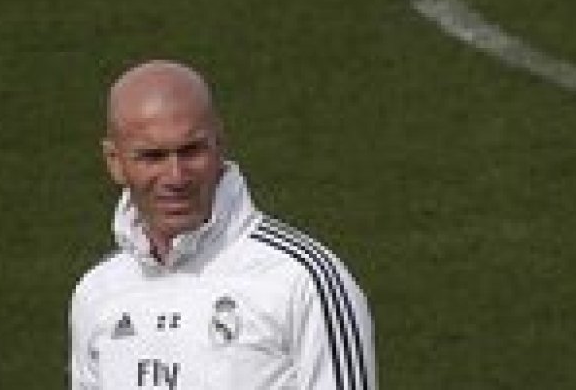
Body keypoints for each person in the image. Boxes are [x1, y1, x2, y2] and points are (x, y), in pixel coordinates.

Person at [69, 60, 376, 389]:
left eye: (191, 151)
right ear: (115, 162)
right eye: (152, 156)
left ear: (220, 144)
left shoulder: (303, 280)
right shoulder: (97, 294)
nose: (175, 176)